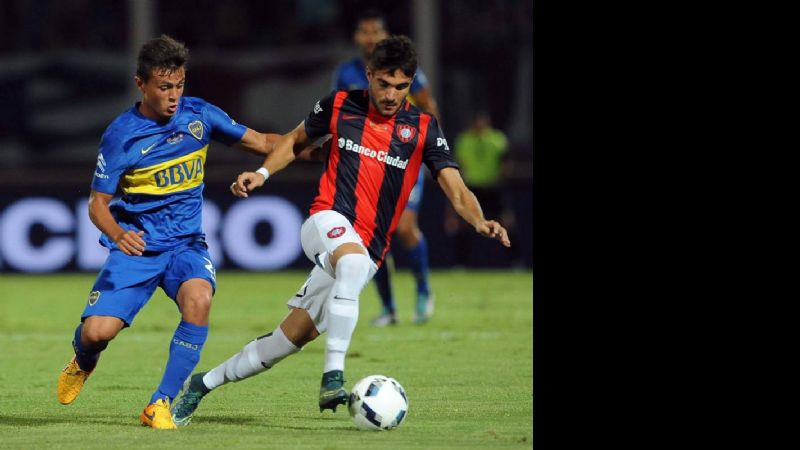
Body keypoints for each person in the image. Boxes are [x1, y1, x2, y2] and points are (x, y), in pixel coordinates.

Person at [171, 35, 511, 426]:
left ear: (411, 83)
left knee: (285, 342)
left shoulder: (422, 127)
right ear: (369, 75)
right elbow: (296, 140)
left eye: (401, 87)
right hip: (326, 220)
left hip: (369, 248)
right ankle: (333, 376)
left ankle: (202, 384)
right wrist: (262, 173)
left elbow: (456, 187)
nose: (390, 94)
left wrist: (480, 221)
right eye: (383, 83)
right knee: (349, 263)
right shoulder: (338, 105)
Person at [55, 34, 317, 430]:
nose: (174, 95)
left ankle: (159, 403)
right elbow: (97, 204)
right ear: (140, 84)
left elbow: (264, 141)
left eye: (179, 85)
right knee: (97, 332)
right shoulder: (121, 135)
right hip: (138, 247)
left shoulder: (200, 116)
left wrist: (319, 148)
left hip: (186, 245)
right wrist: (119, 234)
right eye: (164, 87)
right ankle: (83, 359)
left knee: (199, 300)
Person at [331, 9, 440, 326]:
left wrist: (432, 150)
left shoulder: (406, 70)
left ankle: (422, 289)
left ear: (384, 35)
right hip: (368, 160)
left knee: (404, 228)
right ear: (356, 38)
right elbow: (342, 113)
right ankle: (389, 308)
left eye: (375, 32)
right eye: (364, 32)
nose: (370, 37)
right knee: (372, 237)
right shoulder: (347, 72)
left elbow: (429, 107)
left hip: (405, 158)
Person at [445, 110, 516, 265]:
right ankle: (461, 264)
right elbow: (459, 166)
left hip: (493, 187)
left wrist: (501, 179)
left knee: (507, 223)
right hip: (472, 187)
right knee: (463, 224)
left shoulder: (497, 139)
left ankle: (515, 262)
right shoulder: (464, 140)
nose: (480, 124)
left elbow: (505, 163)